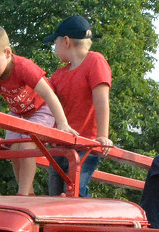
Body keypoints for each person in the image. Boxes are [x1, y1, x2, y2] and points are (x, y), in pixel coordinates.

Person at [0, 24, 73, 195]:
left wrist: (62, 124)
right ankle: (28, 191)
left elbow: (49, 95)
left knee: (27, 143)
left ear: (7, 53)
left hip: (41, 109)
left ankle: (23, 193)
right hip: (19, 114)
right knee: (13, 149)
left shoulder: (24, 67)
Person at [44, 15, 112, 197]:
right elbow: (45, 102)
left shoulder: (94, 61)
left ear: (66, 41)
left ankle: (84, 223)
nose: (54, 49)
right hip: (60, 144)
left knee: (75, 190)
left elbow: (101, 100)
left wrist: (103, 136)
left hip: (85, 144)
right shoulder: (60, 74)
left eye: (55, 43)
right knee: (55, 194)